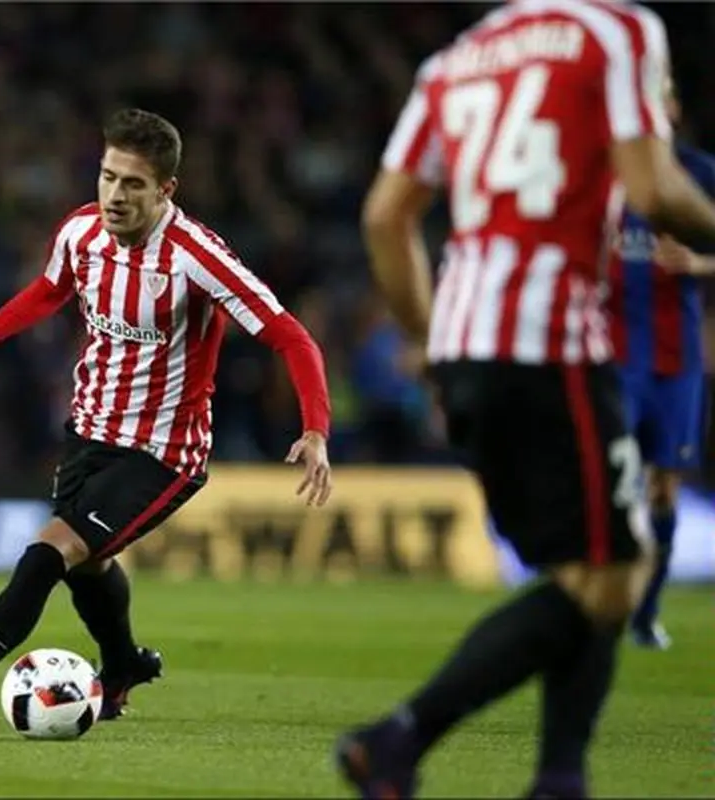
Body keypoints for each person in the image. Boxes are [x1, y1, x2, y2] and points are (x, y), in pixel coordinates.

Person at [339, 1, 715, 797]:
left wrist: (432, 341)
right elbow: (655, 190)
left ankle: (558, 778)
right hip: (551, 340)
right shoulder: (616, 31)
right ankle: (400, 736)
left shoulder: (455, 60)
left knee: (587, 568)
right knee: (616, 571)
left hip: (463, 343)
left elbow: (383, 217)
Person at [0, 108, 334, 732]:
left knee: (47, 557)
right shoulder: (80, 232)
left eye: (133, 184)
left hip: (162, 454)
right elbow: (49, 290)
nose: (115, 195)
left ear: (166, 189)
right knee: (89, 564)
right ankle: (122, 666)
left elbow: (291, 336)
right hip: (87, 433)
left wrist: (315, 430)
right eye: (107, 176)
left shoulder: (198, 257)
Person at [607, 77, 715, 650]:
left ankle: (646, 613)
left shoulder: (697, 173)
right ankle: (600, 603)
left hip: (676, 362)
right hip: (611, 356)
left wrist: (699, 263)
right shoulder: (601, 170)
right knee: (612, 479)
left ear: (672, 107)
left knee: (663, 490)